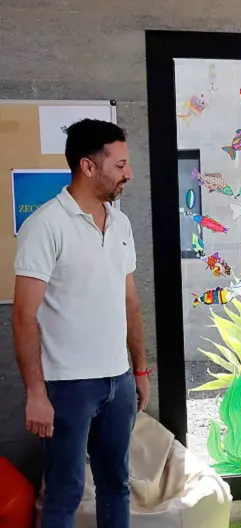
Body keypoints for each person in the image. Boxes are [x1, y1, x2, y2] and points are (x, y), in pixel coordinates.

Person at [12, 118, 147, 528]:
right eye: (120, 164)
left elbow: (131, 304)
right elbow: (23, 316)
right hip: (67, 386)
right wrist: (37, 393)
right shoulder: (45, 226)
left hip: (118, 381)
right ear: (89, 167)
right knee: (65, 491)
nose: (129, 173)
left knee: (117, 484)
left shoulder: (121, 224)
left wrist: (138, 368)